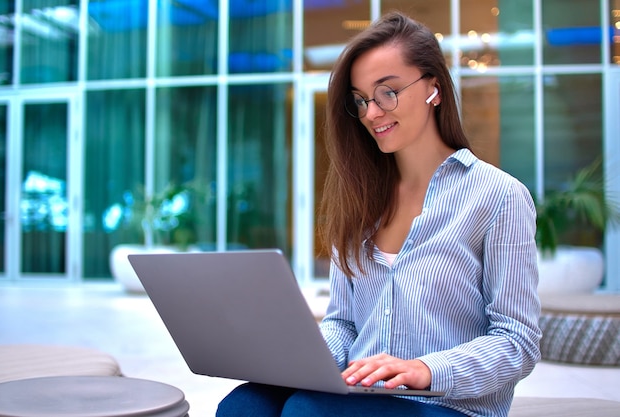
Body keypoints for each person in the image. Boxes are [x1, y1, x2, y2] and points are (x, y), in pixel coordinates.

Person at [216, 11, 541, 417]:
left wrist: (424, 369)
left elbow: (517, 341)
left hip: (449, 405)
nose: (371, 113)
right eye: (361, 100)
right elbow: (344, 324)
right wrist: (300, 360)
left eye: (388, 92)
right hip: (364, 396)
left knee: (308, 412)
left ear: (434, 90)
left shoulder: (498, 196)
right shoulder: (360, 199)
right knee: (243, 405)